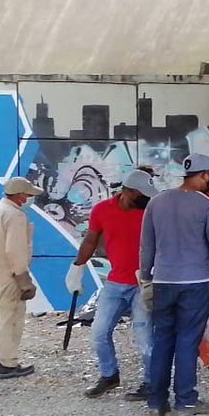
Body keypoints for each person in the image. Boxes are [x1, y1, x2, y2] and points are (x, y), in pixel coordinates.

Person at [139, 154, 209, 416]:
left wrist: (146, 278)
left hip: (162, 282)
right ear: (206, 175)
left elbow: (147, 246)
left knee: (162, 339)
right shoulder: (208, 207)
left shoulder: (156, 202)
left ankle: (156, 402)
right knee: (187, 340)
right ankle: (185, 401)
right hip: (196, 283)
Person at [67, 168, 158, 400]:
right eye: (143, 194)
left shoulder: (151, 211)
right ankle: (109, 375)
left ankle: (152, 382)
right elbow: (90, 240)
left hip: (144, 283)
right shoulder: (102, 210)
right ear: (129, 191)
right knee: (99, 332)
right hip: (115, 283)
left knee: (144, 335)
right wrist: (77, 267)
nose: (147, 198)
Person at [0, 177, 42, 379]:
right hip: (9, 276)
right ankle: (7, 363)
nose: (30, 197)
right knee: (11, 319)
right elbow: (15, 251)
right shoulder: (15, 216)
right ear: (21, 196)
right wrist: (24, 280)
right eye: (28, 194)